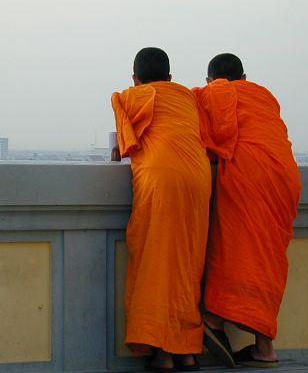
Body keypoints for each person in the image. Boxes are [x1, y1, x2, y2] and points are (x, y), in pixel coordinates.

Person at [192, 53, 301, 368]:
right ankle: (264, 348)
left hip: (250, 174)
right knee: (268, 254)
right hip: (286, 175)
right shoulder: (264, 96)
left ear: (211, 80)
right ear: (245, 76)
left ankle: (213, 318)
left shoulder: (213, 94)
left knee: (238, 246)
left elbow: (204, 137)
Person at [111, 47, 211, 371]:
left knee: (157, 259)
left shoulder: (130, 96)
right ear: (170, 78)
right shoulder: (187, 97)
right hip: (198, 177)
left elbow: (127, 144)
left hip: (162, 179)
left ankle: (164, 353)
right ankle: (187, 350)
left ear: (136, 78)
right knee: (187, 260)